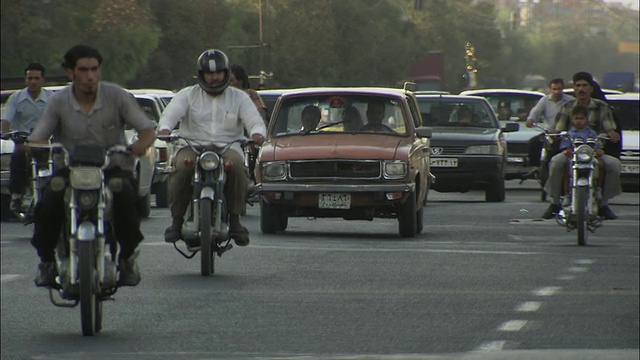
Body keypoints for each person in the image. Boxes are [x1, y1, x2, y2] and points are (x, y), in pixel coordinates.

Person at [27, 45, 156, 287]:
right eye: (83, 70)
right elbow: (39, 136)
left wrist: (140, 144)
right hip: (69, 169)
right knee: (48, 202)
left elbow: (146, 129)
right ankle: (46, 262)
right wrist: (35, 145)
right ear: (70, 72)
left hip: (112, 167)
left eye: (94, 69)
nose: (89, 76)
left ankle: (127, 257)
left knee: (127, 199)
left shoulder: (117, 96)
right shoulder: (58, 102)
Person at [158, 49, 266, 247]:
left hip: (228, 147)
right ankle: (176, 222)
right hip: (192, 145)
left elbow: (254, 121)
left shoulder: (239, 97)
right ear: (201, 74)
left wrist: (257, 133)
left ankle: (235, 221)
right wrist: (165, 129)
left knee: (238, 169)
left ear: (225, 73)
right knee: (181, 167)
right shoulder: (187, 95)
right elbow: (170, 114)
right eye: (210, 73)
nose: (214, 77)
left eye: (219, 73)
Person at [542, 71, 621, 220]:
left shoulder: (602, 106)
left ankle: (603, 204)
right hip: (571, 150)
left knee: (614, 165)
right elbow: (558, 128)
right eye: (577, 86)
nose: (581, 89)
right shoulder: (567, 106)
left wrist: (611, 133)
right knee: (556, 163)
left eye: (585, 85)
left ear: (591, 88)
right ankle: (554, 202)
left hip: (595, 150)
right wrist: (554, 135)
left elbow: (609, 126)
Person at [1, 63, 54, 215]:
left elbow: (61, 119)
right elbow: (6, 120)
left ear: (43, 80)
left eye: (36, 78)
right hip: (24, 142)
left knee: (61, 162)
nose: (33, 81)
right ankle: (17, 196)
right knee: (17, 158)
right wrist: (5, 132)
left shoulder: (52, 99)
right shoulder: (16, 98)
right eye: (29, 78)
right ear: (25, 79)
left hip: (47, 143)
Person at [557, 105, 605, 205]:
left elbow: (597, 145)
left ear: (587, 119)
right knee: (566, 168)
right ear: (572, 119)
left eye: (582, 118)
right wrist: (567, 150)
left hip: (589, 158)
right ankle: (566, 194)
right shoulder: (569, 134)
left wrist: (599, 150)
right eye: (576, 118)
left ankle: (598, 188)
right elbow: (565, 146)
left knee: (601, 165)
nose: (579, 121)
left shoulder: (591, 133)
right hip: (575, 158)